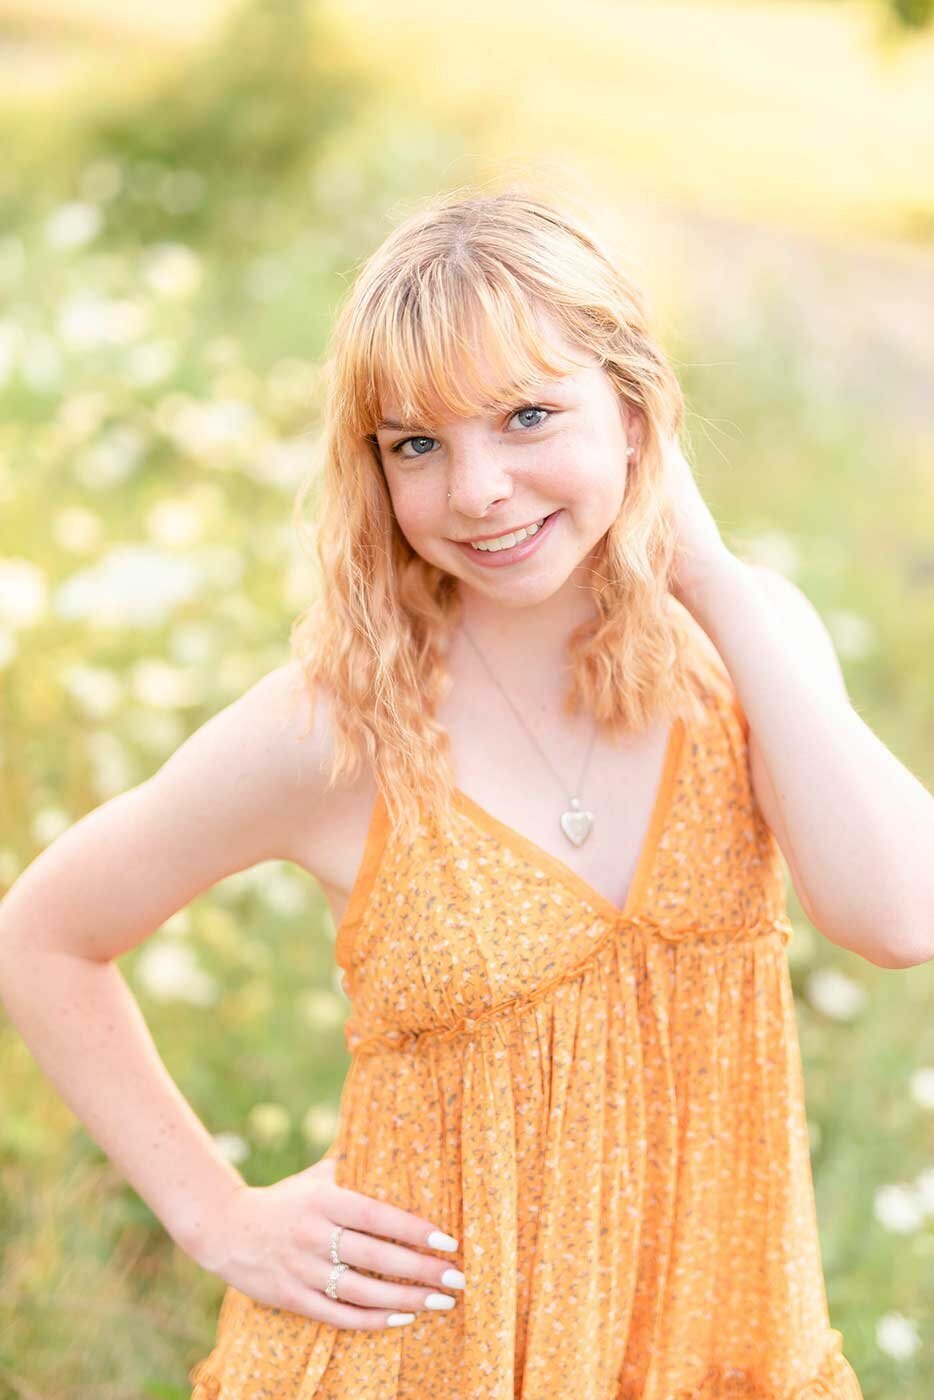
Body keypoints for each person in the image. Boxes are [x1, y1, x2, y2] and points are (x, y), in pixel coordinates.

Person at [15, 178, 929, 1397]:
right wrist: (214, 1211)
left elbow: (898, 916)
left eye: (527, 415)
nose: (477, 488)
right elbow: (44, 931)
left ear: (634, 411)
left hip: (705, 1348)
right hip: (414, 1362)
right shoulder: (334, 723)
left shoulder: (745, 653)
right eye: (417, 444)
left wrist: (706, 571)